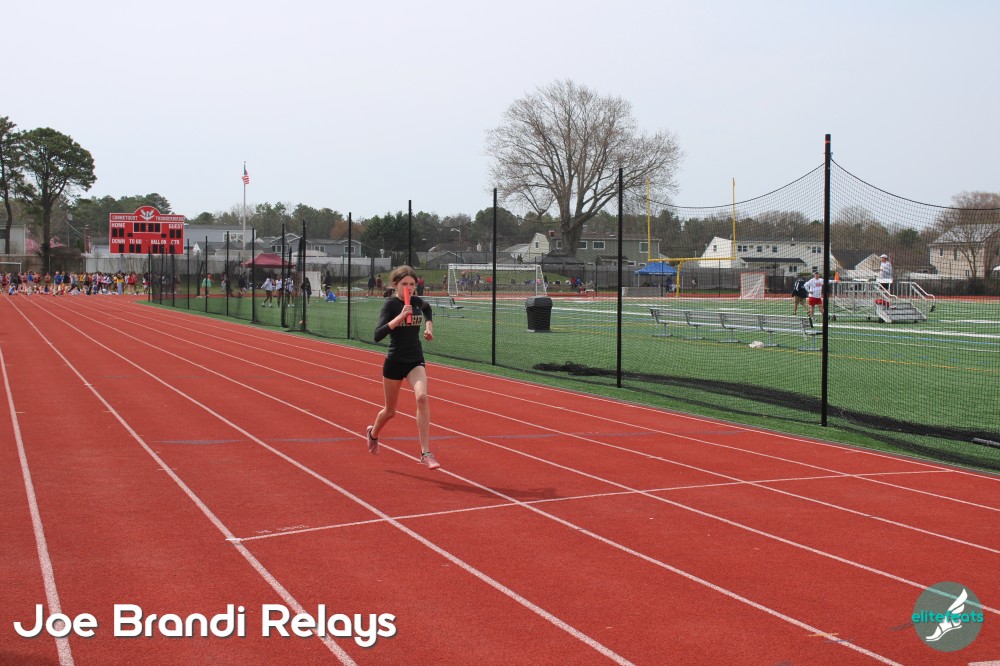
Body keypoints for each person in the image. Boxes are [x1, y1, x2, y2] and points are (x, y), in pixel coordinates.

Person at [365, 265, 440, 470]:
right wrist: (399, 317)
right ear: (395, 285)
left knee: (422, 397)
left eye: (412, 284)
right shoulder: (390, 305)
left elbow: (427, 309)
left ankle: (425, 452)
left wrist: (429, 327)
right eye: (404, 284)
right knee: (390, 411)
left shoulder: (416, 302)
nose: (409, 288)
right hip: (395, 362)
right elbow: (377, 335)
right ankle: (373, 434)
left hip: (415, 360)